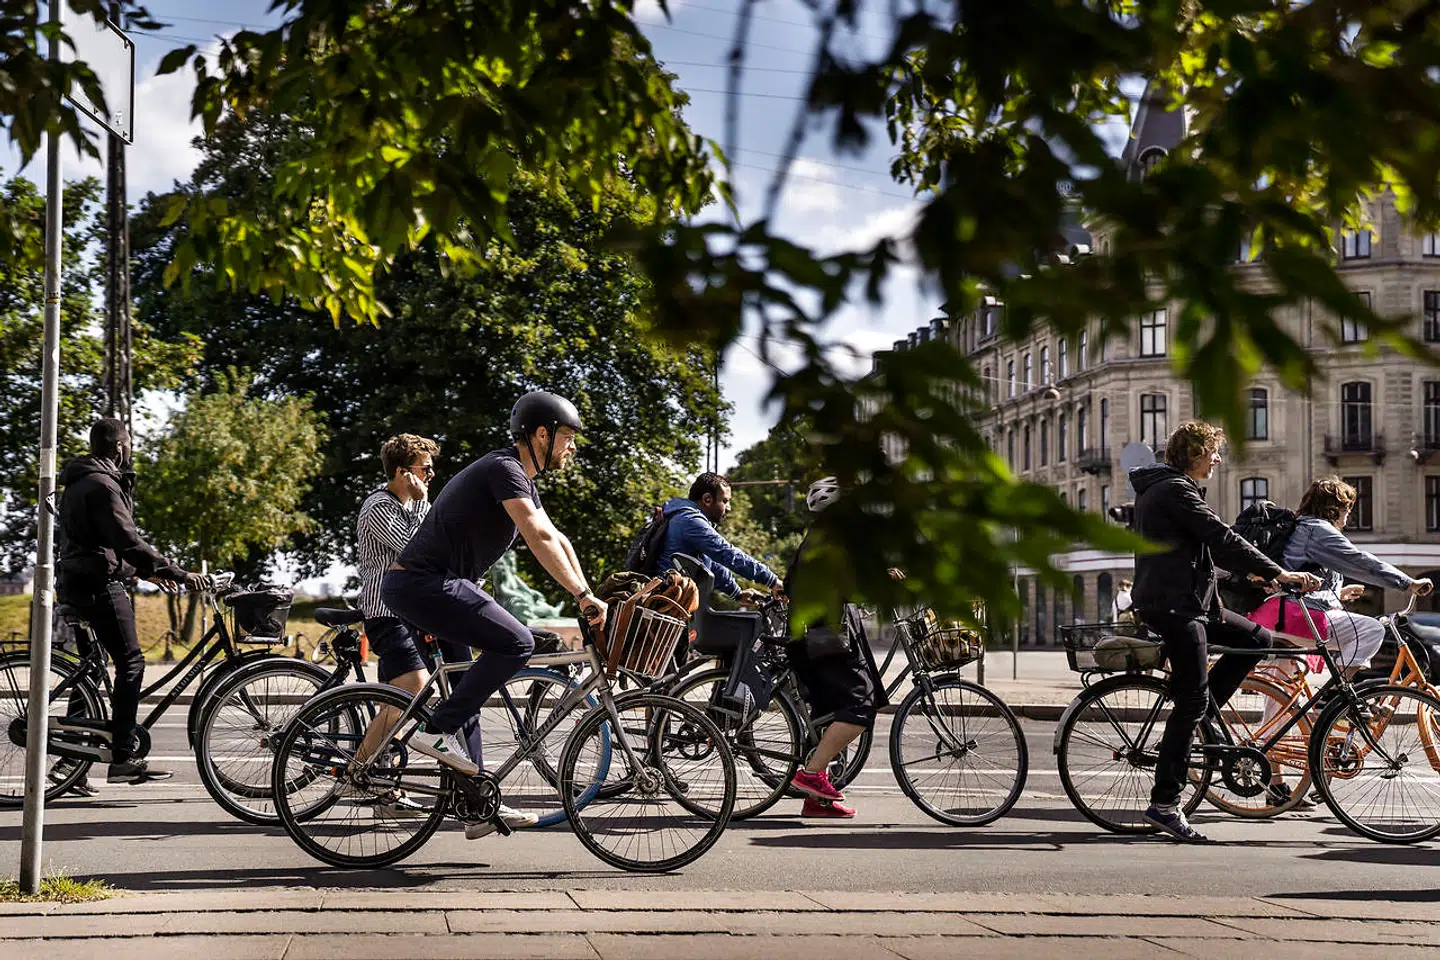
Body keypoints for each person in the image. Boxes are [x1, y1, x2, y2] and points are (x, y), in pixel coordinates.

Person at [381, 392, 606, 840]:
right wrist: (581, 596)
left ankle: (476, 806)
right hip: (427, 584)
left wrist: (589, 594)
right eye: (567, 437)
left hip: (430, 586)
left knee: (467, 692)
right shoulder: (504, 469)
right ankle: (436, 729)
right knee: (518, 642)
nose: (572, 447)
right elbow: (538, 536)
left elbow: (558, 538)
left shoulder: (520, 478)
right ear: (541, 434)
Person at [1128, 420, 1320, 843]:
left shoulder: (1168, 488)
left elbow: (1199, 551)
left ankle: (1201, 719)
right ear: (1195, 454)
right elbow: (1221, 537)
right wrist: (1279, 572)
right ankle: (1165, 804)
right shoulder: (1174, 490)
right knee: (1192, 698)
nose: (1217, 459)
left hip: (1189, 602)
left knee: (1257, 639)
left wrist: (1252, 577)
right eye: (1213, 452)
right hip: (1174, 607)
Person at [55, 417, 203, 785]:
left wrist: (142, 572)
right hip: (97, 586)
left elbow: (98, 545)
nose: (131, 449)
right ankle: (123, 756)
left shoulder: (80, 481)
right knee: (131, 662)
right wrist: (177, 573)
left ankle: (71, 764)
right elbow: (127, 541)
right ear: (120, 446)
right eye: (130, 443)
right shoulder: (103, 485)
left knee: (92, 670)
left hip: (77, 582)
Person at [353, 434, 480, 816]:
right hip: (386, 614)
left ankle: (379, 787)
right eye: (425, 468)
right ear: (402, 472)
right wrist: (424, 503)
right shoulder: (379, 506)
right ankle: (357, 773)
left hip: (409, 614)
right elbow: (415, 548)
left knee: (396, 706)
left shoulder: (406, 506)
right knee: (411, 692)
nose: (431, 474)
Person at [782, 477, 879, 819]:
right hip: (824, 641)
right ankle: (810, 775)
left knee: (829, 714)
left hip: (812, 639)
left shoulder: (817, 537)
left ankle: (816, 800)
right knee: (860, 707)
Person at [1278, 477, 1433, 676]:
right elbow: (1359, 561)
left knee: (1283, 687)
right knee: (1371, 630)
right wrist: (1408, 582)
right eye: (1347, 508)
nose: (1349, 514)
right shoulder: (1317, 530)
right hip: (1296, 614)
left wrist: (1338, 594)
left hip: (1280, 611)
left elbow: (1303, 576)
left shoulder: (1302, 528)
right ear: (1333, 509)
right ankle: (1338, 690)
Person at [652, 472, 783, 603]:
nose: (729, 508)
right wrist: (772, 581)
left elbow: (709, 564)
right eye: (725, 501)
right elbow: (727, 553)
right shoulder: (690, 521)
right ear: (707, 499)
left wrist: (737, 593)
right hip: (665, 603)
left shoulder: (682, 516)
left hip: (669, 600)